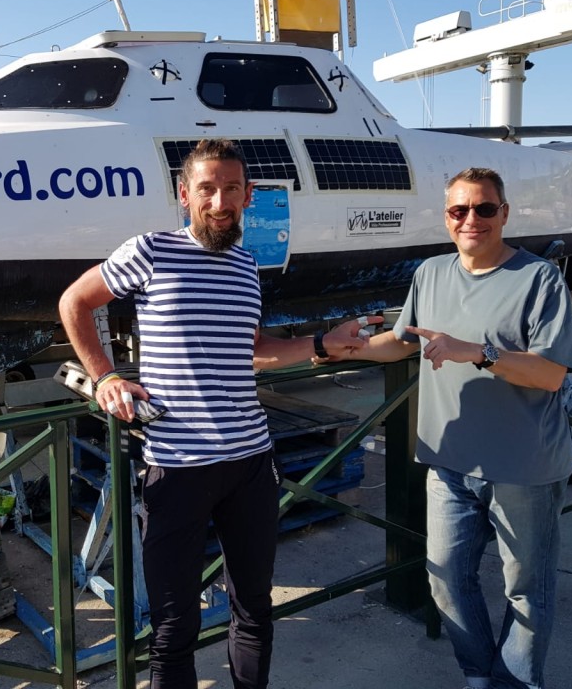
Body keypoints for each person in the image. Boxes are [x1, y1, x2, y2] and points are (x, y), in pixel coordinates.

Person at [58, 138, 368, 689]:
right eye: (207, 189)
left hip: (250, 462)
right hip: (176, 468)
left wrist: (322, 342)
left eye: (231, 189)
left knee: (254, 609)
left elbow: (251, 351)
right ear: (185, 195)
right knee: (174, 626)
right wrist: (105, 376)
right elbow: (74, 302)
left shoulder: (247, 266)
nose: (219, 201)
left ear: (248, 197)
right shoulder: (150, 250)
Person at [326, 167, 572, 689]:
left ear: (504, 213)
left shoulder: (539, 278)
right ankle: (481, 675)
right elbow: (403, 341)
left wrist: (480, 354)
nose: (472, 220)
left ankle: (513, 683)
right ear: (446, 217)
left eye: (484, 208)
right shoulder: (431, 273)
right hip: (448, 462)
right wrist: (338, 345)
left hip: (524, 467)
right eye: (459, 210)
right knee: (443, 580)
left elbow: (551, 374)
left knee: (527, 589)